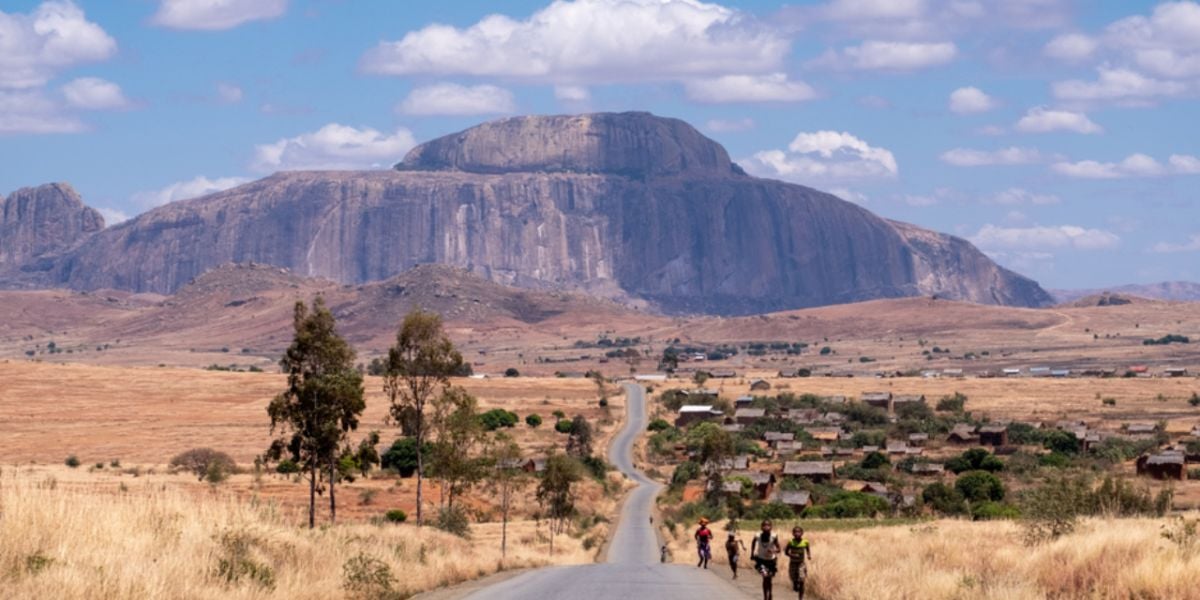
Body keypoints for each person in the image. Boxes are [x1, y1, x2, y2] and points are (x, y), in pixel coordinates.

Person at [750, 520, 781, 600]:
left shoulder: (774, 536)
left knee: (769, 579)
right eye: (764, 525)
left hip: (771, 561)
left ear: (771, 527)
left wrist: (773, 551)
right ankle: (765, 597)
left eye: (768, 525)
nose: (766, 527)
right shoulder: (757, 535)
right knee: (765, 577)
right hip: (761, 560)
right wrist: (752, 554)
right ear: (761, 527)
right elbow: (753, 543)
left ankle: (770, 593)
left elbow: (779, 549)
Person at [785, 526, 812, 599]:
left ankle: (801, 598)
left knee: (802, 580)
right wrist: (792, 555)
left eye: (799, 532)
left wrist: (809, 555)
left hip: (801, 563)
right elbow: (786, 552)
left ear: (802, 533)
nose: (797, 534)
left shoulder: (805, 542)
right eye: (795, 532)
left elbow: (807, 548)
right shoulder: (791, 542)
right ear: (793, 533)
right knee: (793, 578)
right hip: (793, 563)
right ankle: (794, 584)